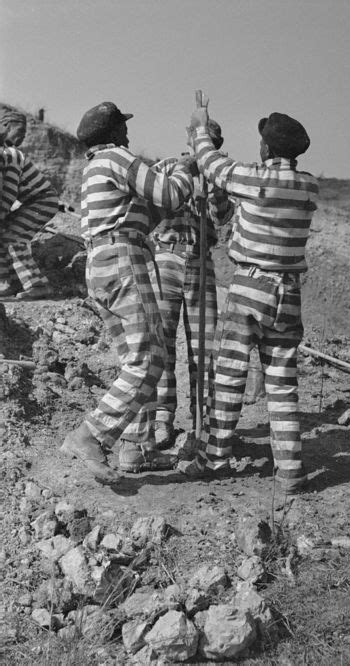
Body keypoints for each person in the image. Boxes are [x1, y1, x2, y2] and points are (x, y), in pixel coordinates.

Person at [180, 106, 319, 495]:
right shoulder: (309, 186)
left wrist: (201, 127)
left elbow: (211, 163)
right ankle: (290, 470)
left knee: (229, 378)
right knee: (282, 382)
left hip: (250, 289)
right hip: (288, 294)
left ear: (265, 146)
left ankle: (212, 458)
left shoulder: (253, 178)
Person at [61, 101, 195, 482]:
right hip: (124, 261)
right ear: (113, 134)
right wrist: (184, 172)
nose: (128, 134)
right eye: (123, 127)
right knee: (150, 359)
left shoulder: (95, 168)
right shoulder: (117, 158)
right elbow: (169, 196)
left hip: (102, 264)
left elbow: (146, 215)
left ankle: (136, 447)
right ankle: (90, 435)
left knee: (134, 360)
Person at [150, 119, 233, 448]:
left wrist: (213, 182)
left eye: (209, 141)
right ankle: (161, 418)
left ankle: (202, 420)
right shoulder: (168, 167)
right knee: (162, 342)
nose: (202, 145)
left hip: (200, 261)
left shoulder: (220, 175)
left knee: (204, 345)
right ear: (189, 139)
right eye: (199, 139)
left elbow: (221, 216)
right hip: (167, 256)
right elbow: (156, 202)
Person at [0, 109, 58, 299]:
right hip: (34, 202)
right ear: (6, 126)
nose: (23, 137)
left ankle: (38, 284)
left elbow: (9, 192)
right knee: (4, 234)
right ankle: (10, 282)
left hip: (42, 201)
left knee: (13, 237)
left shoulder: (12, 155)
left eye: (25, 134)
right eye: (20, 132)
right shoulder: (7, 153)